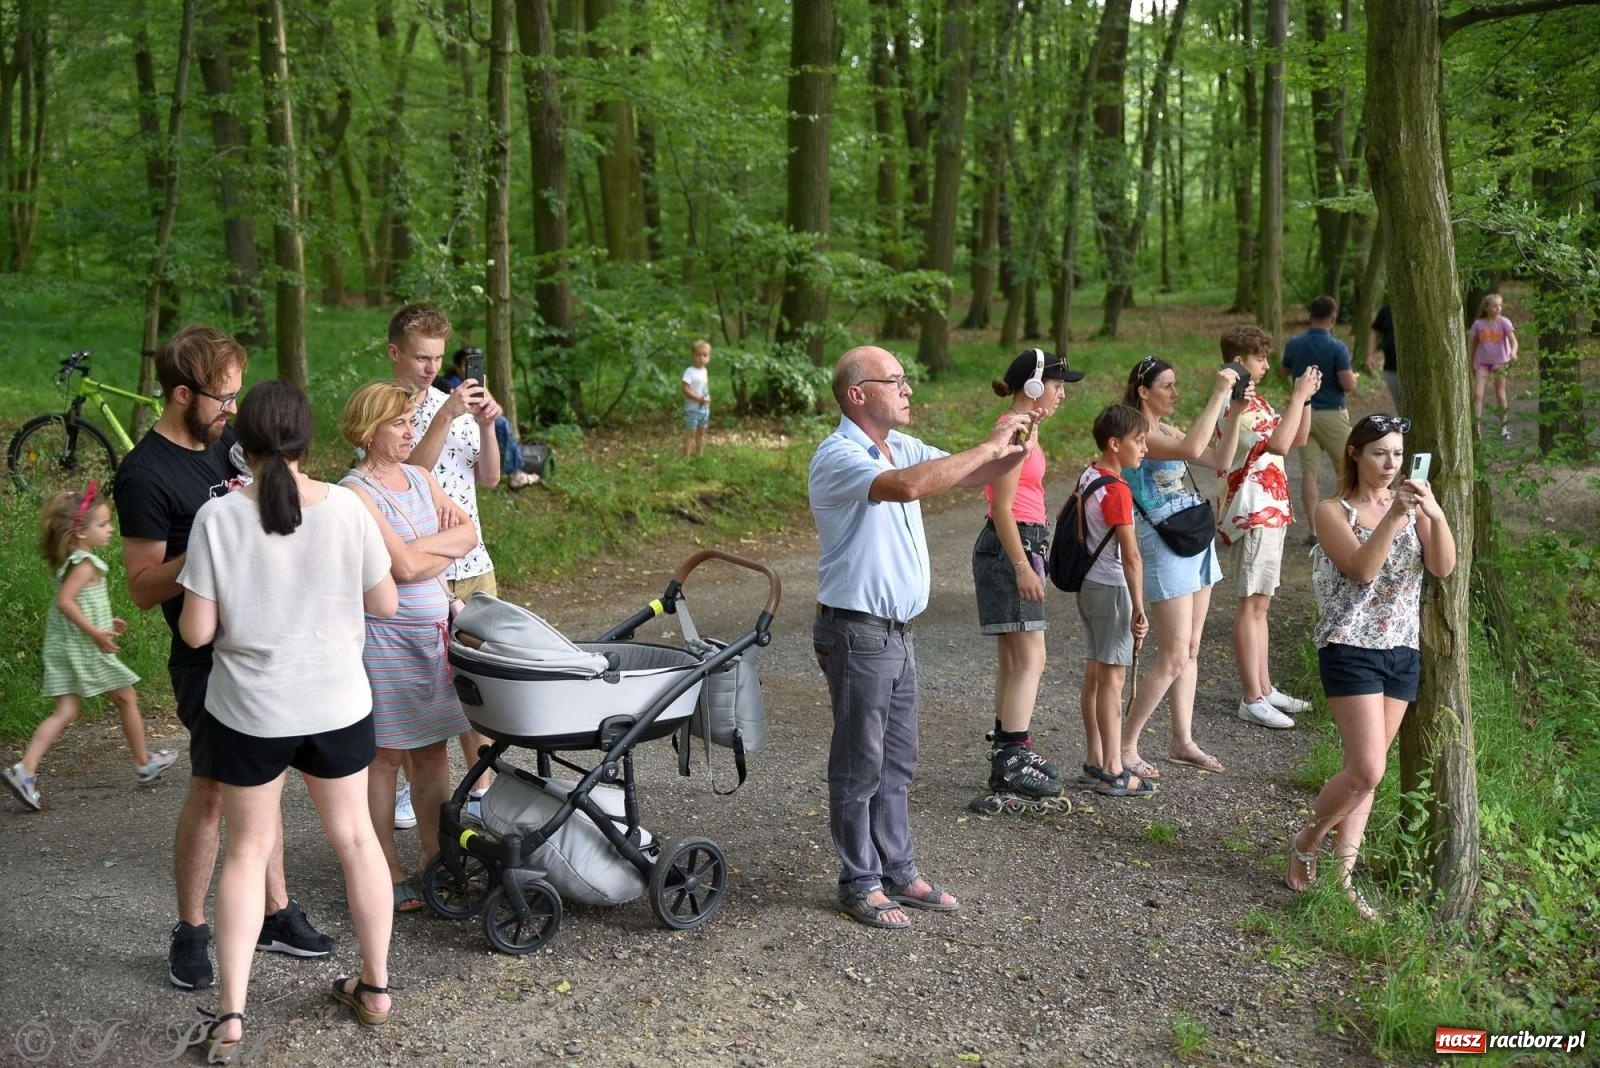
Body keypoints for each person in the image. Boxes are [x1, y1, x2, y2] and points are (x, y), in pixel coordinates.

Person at [178, 381, 400, 1059]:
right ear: (309, 439)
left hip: (252, 712)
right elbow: (386, 604)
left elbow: (195, 634)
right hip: (336, 706)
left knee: (246, 854)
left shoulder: (217, 518)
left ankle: (232, 1017)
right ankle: (376, 988)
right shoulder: (349, 509)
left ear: (240, 441)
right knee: (358, 842)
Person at [114, 325, 335, 990]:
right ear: (183, 394)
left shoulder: (228, 448)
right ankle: (190, 928)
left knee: (264, 780)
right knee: (213, 792)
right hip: (201, 658)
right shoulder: (144, 474)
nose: (234, 410)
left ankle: (274, 912)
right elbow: (144, 587)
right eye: (223, 397)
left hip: (263, 643)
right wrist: (214, 540)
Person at [810, 345, 1029, 929]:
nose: (908, 390)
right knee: (860, 762)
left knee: (899, 760)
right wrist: (989, 446)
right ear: (859, 394)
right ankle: (859, 881)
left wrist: (1011, 440)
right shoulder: (838, 455)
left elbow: (973, 472)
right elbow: (907, 488)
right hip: (856, 632)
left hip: (898, 634)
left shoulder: (900, 445)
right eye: (896, 381)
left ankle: (899, 871)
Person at [1285, 414, 1455, 917]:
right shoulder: (1331, 510)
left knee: (1368, 778)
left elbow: (1442, 566)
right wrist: (1396, 518)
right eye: (1380, 453)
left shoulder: (1413, 507)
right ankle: (1307, 839)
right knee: (1367, 767)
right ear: (1355, 453)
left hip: (1402, 650)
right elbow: (1361, 569)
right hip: (1350, 646)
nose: (1391, 464)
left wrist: (1436, 516)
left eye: (1399, 454)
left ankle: (1343, 878)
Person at [340, 381, 477, 913]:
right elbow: (399, 569)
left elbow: (465, 537)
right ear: (368, 429)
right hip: (384, 643)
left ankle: (434, 857)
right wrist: (422, 554)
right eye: (398, 423)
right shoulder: (354, 492)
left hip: (431, 640)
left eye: (410, 420)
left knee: (432, 752)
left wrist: (417, 554)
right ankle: (386, 867)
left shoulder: (421, 477)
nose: (409, 430)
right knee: (385, 756)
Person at [386, 304, 501, 826]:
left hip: (473, 561)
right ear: (395, 353)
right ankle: (417, 790)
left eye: (437, 357)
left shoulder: (456, 403)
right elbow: (408, 475)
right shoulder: (386, 412)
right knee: (423, 685)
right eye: (420, 357)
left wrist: (489, 425)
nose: (431, 368)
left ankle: (484, 784)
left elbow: (492, 478)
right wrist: (447, 415)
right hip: (419, 566)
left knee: (482, 679)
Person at [3, 486, 177, 811]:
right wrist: (97, 633)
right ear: (80, 532)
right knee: (126, 696)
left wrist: (106, 621)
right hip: (81, 646)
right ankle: (143, 762)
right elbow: (65, 602)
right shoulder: (84, 563)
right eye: (103, 524)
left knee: (67, 711)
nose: (111, 529)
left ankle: (24, 770)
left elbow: (78, 603)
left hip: (71, 643)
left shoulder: (77, 561)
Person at [1117, 357, 1248, 780]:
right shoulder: (1139, 434)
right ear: (1143, 391)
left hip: (1194, 539)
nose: (1175, 393)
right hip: (1164, 547)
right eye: (1167, 386)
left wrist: (1237, 408)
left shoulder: (1169, 430)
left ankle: (1182, 741)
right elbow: (1192, 450)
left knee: (1190, 648)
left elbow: (1219, 459)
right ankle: (1125, 745)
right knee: (1172, 655)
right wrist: (1217, 393)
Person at [970, 348, 1084, 808]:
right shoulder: (1015, 428)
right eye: (1057, 386)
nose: (1061, 395)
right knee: (1031, 657)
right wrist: (1022, 566)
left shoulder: (1025, 427)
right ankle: (1015, 756)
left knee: (1016, 659)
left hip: (1019, 542)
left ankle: (1007, 750)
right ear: (1034, 387)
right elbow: (1000, 506)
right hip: (1011, 545)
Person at [1217, 325, 1321, 731]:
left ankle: (1264, 686)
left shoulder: (1255, 399)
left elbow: (1298, 437)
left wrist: (1306, 400)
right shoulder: (1232, 402)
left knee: (1262, 603)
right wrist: (1296, 396)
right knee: (1250, 603)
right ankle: (1251, 697)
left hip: (1271, 507)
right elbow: (1276, 445)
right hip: (1252, 508)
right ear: (1239, 361)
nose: (1265, 365)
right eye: (1259, 358)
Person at [1074, 404, 1153, 799]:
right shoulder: (1117, 490)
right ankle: (1112, 768)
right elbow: (1132, 556)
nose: (1144, 448)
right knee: (1113, 680)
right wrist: (1139, 607)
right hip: (1112, 588)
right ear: (1114, 444)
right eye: (1138, 441)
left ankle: (1094, 759)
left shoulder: (1089, 476)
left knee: (1095, 674)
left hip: (1089, 586)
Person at [1280, 296, 1359, 545]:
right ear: (1333, 318)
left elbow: (1283, 371)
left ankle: (1314, 530)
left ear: (1309, 315)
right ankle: (1349, 525)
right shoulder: (1337, 347)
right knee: (1348, 469)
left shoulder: (1294, 344)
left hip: (1304, 414)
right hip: (1333, 413)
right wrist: (1354, 378)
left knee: (1309, 473)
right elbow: (1347, 383)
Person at [438, 347, 539, 488]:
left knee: (500, 422)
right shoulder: (452, 383)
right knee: (501, 423)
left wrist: (482, 388)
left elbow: (495, 409)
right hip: (462, 421)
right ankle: (515, 473)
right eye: (466, 365)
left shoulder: (474, 382)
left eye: (474, 366)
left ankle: (513, 470)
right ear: (457, 367)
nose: (470, 369)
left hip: (478, 419)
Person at [1468, 293, 1518, 441]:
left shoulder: (1504, 322)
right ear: (1486, 307)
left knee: (1500, 394)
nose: (1498, 308)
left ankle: (1504, 429)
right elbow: (1474, 345)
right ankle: (1476, 430)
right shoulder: (1478, 324)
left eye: (1500, 305)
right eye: (1495, 305)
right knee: (1477, 394)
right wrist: (1472, 363)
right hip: (1483, 362)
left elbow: (1514, 341)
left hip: (1500, 362)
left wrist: (1513, 353)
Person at [682, 339, 712, 458]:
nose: (701, 358)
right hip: (692, 408)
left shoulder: (704, 371)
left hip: (704, 408)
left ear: (708, 357)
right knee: (691, 432)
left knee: (702, 431)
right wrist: (698, 398)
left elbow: (704, 387)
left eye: (704, 355)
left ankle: (699, 455)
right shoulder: (690, 371)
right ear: (693, 356)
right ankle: (686, 456)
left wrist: (705, 398)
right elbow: (685, 389)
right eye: (698, 355)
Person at [1366, 303, 1398, 407]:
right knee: (1401, 407)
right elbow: (1375, 332)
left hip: (1418, 370)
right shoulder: (1386, 310)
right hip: (1391, 369)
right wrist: (1370, 356)